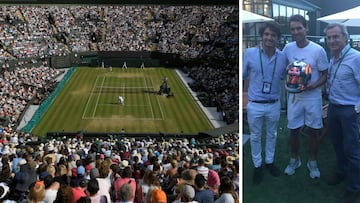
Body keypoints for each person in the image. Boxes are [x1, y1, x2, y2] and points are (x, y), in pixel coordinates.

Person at [283, 14, 329, 178]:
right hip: (295, 98)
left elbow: (325, 74)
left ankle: (312, 161)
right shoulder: (288, 48)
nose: (295, 32)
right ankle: (295, 159)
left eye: (298, 28)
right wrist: (287, 83)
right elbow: (285, 71)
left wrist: (313, 85)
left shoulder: (318, 49)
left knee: (313, 131)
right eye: (292, 29)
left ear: (306, 28)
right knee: (293, 131)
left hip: (312, 97)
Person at [243, 21, 287, 184]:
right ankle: (257, 165)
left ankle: (269, 162)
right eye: (266, 34)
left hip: (273, 103)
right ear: (262, 36)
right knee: (255, 136)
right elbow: (242, 74)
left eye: (273, 35)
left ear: (277, 38)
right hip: (255, 104)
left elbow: (286, 77)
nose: (269, 38)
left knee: (271, 135)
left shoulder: (282, 56)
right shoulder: (249, 53)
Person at [325, 23, 360, 203]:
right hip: (333, 107)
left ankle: (353, 187)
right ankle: (341, 172)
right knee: (337, 144)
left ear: (345, 38)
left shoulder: (355, 58)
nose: (332, 40)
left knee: (352, 150)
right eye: (329, 37)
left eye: (336, 36)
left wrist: (357, 107)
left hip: (349, 110)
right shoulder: (333, 57)